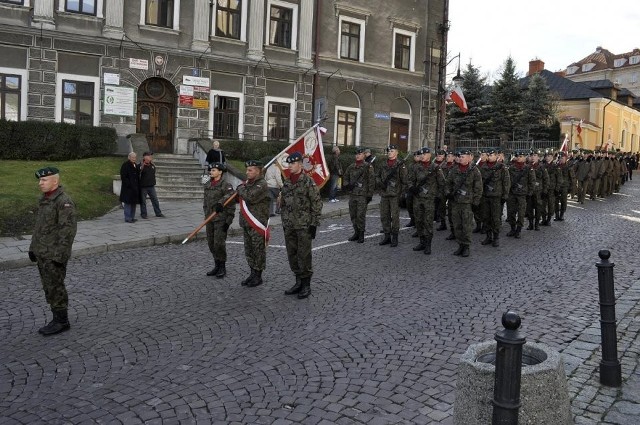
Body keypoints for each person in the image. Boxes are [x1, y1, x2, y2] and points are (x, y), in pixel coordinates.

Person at [28, 167, 77, 336]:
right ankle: (56, 317)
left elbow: (67, 231)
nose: (40, 183)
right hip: (42, 252)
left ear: (55, 181)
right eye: (40, 180)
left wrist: (59, 256)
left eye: (44, 180)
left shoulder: (63, 202)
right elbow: (40, 227)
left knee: (56, 287)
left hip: (54, 254)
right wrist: (33, 247)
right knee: (48, 287)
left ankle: (62, 321)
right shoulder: (45, 199)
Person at [278, 152, 322, 299]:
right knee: (292, 254)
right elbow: (283, 204)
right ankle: (298, 281)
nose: (290, 165)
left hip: (304, 225)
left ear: (300, 164)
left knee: (304, 255)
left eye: (293, 163)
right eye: (289, 163)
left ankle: (306, 285)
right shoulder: (287, 182)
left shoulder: (308, 182)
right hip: (289, 225)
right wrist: (284, 220)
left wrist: (314, 224)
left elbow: (316, 203)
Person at [236, 160, 270, 287]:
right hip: (246, 222)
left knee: (258, 250)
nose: (247, 172)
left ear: (258, 171)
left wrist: (240, 188)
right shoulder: (247, 184)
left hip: (257, 223)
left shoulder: (261, 184)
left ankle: (258, 276)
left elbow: (250, 196)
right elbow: (239, 196)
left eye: (250, 170)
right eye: (247, 170)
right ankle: (252, 273)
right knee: (249, 250)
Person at [407, 147, 445, 255]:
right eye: (421, 154)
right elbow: (410, 180)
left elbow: (442, 183)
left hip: (429, 199)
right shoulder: (416, 167)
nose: (422, 156)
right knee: (418, 221)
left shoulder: (435, 168)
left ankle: (428, 245)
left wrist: (438, 196)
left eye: (424, 154)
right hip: (417, 198)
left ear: (429, 155)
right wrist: (411, 188)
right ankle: (421, 242)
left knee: (428, 222)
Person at [445, 150, 482, 257]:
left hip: (467, 203)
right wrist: (448, 193)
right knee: (457, 225)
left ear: (469, 158)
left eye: (463, 157)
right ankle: (460, 245)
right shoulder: (454, 170)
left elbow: (478, 188)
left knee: (466, 226)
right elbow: (447, 183)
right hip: (455, 202)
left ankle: (466, 246)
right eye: (459, 157)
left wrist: (475, 202)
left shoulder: (474, 171)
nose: (460, 158)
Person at [203, 163, 236, 278]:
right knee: (211, 243)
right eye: (211, 170)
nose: (211, 172)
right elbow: (205, 203)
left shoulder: (226, 185)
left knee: (219, 244)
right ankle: (216, 265)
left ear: (220, 172)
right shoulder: (207, 185)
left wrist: (228, 221)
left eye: (214, 170)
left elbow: (231, 204)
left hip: (220, 220)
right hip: (209, 219)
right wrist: (206, 215)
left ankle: (222, 266)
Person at [376, 144, 407, 247]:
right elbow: (377, 176)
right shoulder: (383, 164)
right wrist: (380, 183)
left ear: (396, 152)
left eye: (392, 151)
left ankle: (395, 237)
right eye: (389, 151)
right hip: (384, 194)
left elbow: (404, 181)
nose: (390, 152)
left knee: (395, 217)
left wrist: (401, 194)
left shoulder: (400, 165)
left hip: (395, 195)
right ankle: (387, 236)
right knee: (384, 216)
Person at [479, 148, 510, 247]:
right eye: (489, 155)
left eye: (492, 155)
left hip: (496, 197)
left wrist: (505, 195)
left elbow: (506, 182)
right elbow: (479, 183)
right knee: (486, 217)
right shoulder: (483, 167)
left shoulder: (501, 167)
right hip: (485, 196)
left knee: (495, 218)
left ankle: (496, 237)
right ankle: (488, 236)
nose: (490, 157)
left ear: (497, 156)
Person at [343, 147, 375, 243]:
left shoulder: (368, 167)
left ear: (364, 155)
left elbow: (371, 181)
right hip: (353, 194)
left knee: (360, 215)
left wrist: (369, 195)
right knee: (353, 215)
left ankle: (361, 234)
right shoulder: (351, 166)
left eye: (360, 154)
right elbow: (345, 177)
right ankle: (356, 232)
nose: (357, 156)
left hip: (362, 195)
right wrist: (348, 185)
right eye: (356, 154)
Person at [506, 151, 535, 239]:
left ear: (525, 157)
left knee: (521, 213)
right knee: (511, 212)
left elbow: (532, 181)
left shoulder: (528, 168)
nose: (519, 158)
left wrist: (529, 193)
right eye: (517, 156)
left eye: (521, 156)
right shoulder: (511, 168)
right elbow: (507, 181)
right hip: (512, 193)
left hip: (522, 195)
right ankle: (512, 229)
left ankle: (518, 230)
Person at [139, 151, 164, 219]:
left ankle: (158, 213)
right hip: (143, 187)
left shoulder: (152, 164)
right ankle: (143, 214)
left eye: (151, 155)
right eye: (149, 155)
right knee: (143, 201)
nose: (151, 157)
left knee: (155, 200)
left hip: (151, 186)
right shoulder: (141, 165)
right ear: (145, 157)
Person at [120, 151, 141, 223]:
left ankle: (132, 217)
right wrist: (129, 184)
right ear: (129, 157)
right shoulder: (125, 165)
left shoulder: (135, 165)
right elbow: (123, 177)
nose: (134, 159)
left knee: (134, 203)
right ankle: (127, 218)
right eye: (132, 157)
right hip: (128, 189)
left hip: (135, 189)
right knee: (128, 203)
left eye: (135, 157)